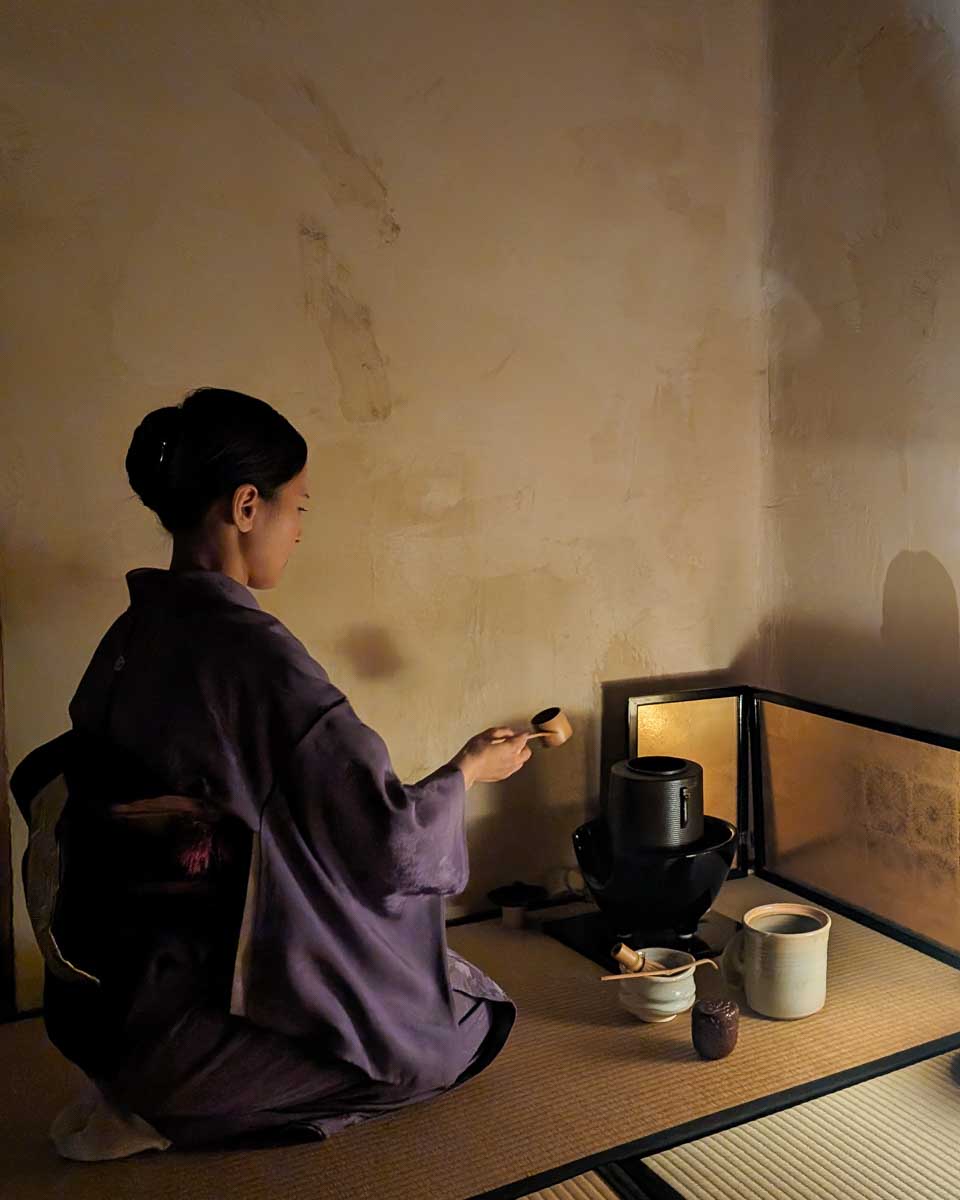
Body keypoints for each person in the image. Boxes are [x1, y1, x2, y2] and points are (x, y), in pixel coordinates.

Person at [12, 387, 531, 1157]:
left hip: (102, 1009)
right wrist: (468, 771)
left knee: (417, 980)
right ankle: (169, 1112)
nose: (297, 533)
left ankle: (137, 1086)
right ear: (247, 505)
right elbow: (389, 843)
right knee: (464, 1028)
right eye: (299, 509)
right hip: (186, 1030)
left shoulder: (130, 636)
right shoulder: (254, 660)